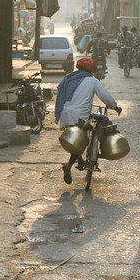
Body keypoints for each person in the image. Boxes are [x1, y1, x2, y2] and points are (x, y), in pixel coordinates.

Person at [53, 56, 121, 184]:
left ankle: (80, 161)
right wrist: (115, 106)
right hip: (79, 115)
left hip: (66, 112)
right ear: (92, 70)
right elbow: (105, 96)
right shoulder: (92, 81)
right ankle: (68, 165)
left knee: (76, 139)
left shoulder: (69, 78)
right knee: (82, 141)